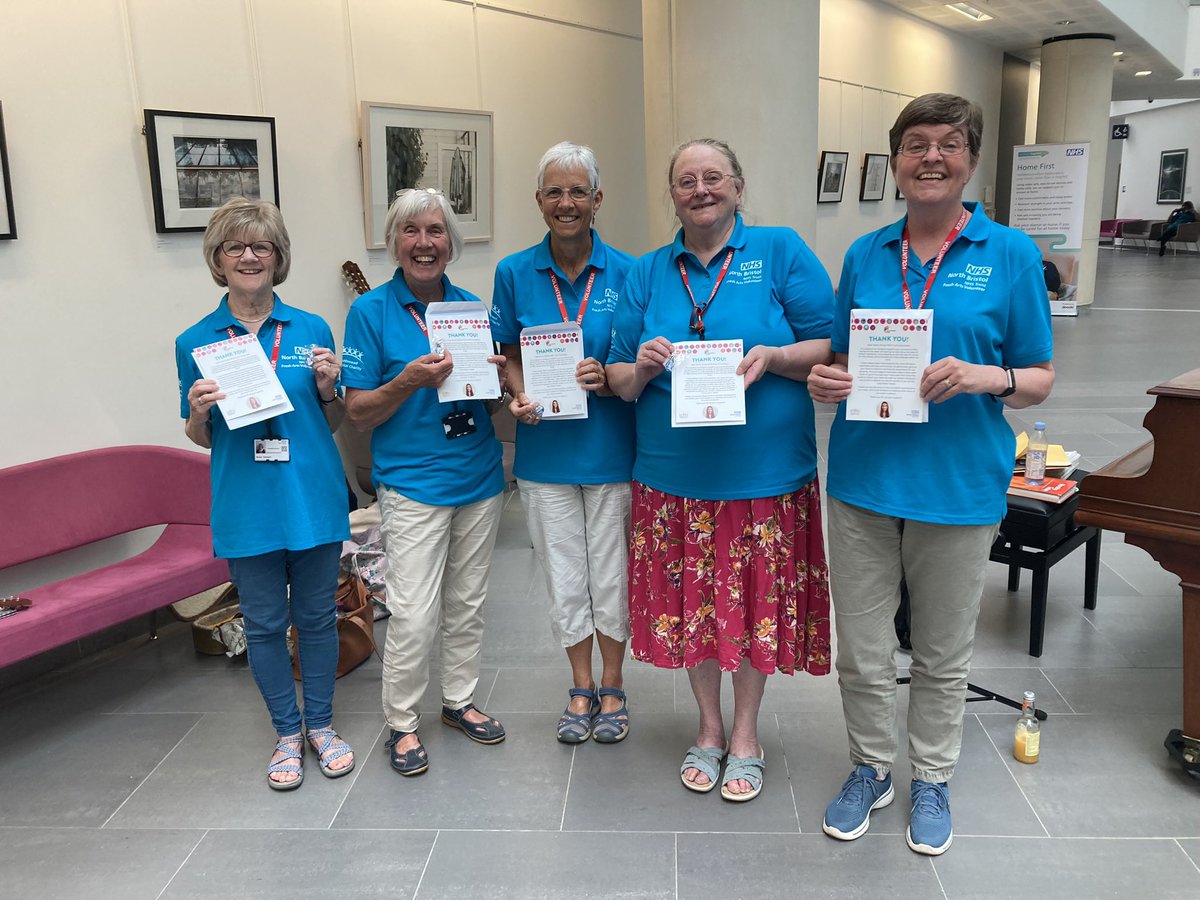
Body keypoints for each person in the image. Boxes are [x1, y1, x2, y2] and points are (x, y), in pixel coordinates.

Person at [808, 93, 1054, 856]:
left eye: (949, 143)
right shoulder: (865, 254)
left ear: (970, 160)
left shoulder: (1009, 254)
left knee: (944, 651)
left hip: (957, 482)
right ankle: (870, 767)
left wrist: (985, 378)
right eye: (916, 144)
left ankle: (933, 777)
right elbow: (845, 357)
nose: (932, 158)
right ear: (897, 162)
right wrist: (828, 381)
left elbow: (1039, 376)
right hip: (864, 479)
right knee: (863, 649)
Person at [606, 138, 834, 801]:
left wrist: (776, 356)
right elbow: (619, 380)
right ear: (672, 195)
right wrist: (642, 367)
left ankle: (746, 735)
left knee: (752, 608)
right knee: (694, 611)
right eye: (686, 180)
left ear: (738, 186)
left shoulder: (780, 250)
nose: (700, 189)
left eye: (713, 178)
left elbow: (830, 341)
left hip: (763, 476)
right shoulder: (648, 271)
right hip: (673, 479)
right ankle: (708, 729)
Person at [175, 198, 353, 790]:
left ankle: (321, 727)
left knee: (318, 618)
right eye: (235, 247)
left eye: (262, 247)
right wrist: (199, 413)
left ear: (278, 258)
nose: (249, 257)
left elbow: (328, 424)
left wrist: (330, 391)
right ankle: (285, 731)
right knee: (265, 622)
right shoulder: (196, 340)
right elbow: (201, 437)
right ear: (218, 260)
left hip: (312, 494)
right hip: (247, 501)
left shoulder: (312, 328)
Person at [342, 188, 508, 777]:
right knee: (413, 613)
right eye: (411, 231)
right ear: (394, 242)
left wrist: (495, 385)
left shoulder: (471, 309)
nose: (424, 243)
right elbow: (358, 411)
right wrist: (409, 380)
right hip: (412, 484)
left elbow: (488, 410)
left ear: (451, 244)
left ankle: (458, 700)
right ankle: (402, 723)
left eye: (436, 231)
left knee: (467, 603)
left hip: (480, 477)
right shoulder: (370, 313)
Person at [490, 142, 637, 744]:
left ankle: (613, 682)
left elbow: (636, 359)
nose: (567, 202)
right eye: (555, 192)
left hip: (612, 450)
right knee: (564, 575)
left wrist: (609, 376)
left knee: (610, 575)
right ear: (539, 201)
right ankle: (580, 686)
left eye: (579, 191)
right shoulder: (513, 272)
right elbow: (507, 354)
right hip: (545, 454)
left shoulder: (631, 271)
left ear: (598, 200)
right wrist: (516, 395)